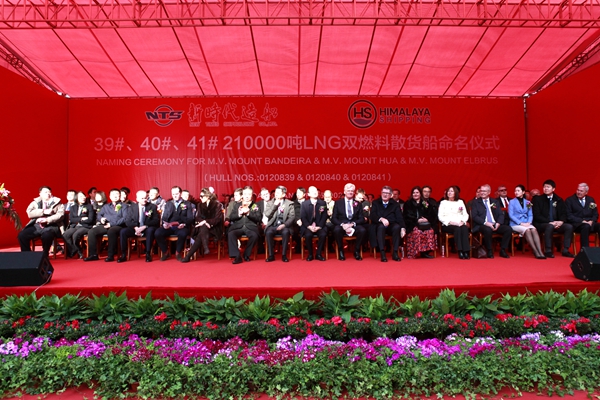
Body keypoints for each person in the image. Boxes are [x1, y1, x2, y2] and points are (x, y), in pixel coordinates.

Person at [17, 186, 65, 258]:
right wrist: (43, 211)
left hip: (51, 225)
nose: (48, 194)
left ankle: (45, 254)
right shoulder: (35, 202)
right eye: (45, 192)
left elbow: (60, 215)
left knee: (47, 235)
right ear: (40, 194)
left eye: (49, 192)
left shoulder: (57, 202)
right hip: (37, 225)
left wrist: (48, 220)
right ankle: (27, 255)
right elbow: (29, 213)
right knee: (22, 235)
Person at [532, 179, 575, 258]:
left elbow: (564, 213)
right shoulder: (538, 199)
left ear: (553, 189)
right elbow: (537, 215)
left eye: (548, 187)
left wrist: (561, 221)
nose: (546, 188)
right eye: (544, 187)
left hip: (557, 223)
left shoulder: (558, 199)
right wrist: (550, 222)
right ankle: (548, 250)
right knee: (550, 226)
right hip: (542, 223)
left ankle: (565, 250)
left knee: (569, 227)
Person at [84, 188, 127, 262]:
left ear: (120, 196)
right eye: (113, 194)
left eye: (117, 194)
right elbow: (99, 215)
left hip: (118, 225)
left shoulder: (124, 206)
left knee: (111, 231)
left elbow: (125, 218)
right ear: (109, 196)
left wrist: (111, 224)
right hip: (106, 224)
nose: (115, 196)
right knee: (92, 231)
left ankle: (110, 255)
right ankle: (93, 255)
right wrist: (101, 219)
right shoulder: (106, 206)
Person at [182, 188, 224, 262]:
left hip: (214, 228)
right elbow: (197, 218)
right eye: (200, 196)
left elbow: (217, 219)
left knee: (200, 234)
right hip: (204, 228)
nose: (200, 198)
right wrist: (204, 222)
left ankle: (188, 256)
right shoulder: (200, 205)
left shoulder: (217, 205)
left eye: (202, 196)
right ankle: (205, 247)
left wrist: (206, 221)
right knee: (203, 228)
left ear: (207, 196)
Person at [471, 184, 513, 258]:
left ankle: (503, 250)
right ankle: (489, 250)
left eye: (484, 191)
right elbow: (475, 216)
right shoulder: (475, 202)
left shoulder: (494, 201)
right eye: (481, 191)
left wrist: (498, 223)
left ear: (489, 192)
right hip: (482, 224)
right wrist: (486, 223)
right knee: (488, 230)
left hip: (495, 224)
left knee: (508, 229)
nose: (482, 193)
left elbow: (500, 214)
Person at [118, 190, 160, 263]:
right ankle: (124, 254)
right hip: (135, 228)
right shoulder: (132, 207)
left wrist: (145, 226)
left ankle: (148, 253)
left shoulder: (152, 206)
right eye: (142, 198)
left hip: (146, 228)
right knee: (123, 231)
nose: (144, 200)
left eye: (146, 198)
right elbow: (127, 220)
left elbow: (156, 220)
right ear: (137, 199)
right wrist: (135, 228)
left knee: (150, 231)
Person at [155, 186, 194, 261]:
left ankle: (178, 252)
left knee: (183, 233)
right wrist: (164, 224)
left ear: (180, 194)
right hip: (169, 227)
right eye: (173, 194)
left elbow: (190, 218)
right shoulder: (168, 204)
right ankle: (166, 252)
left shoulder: (187, 204)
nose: (175, 196)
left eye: (176, 194)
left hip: (181, 226)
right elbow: (164, 217)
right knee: (157, 232)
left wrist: (184, 224)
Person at [508, 185, 545, 259]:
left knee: (534, 229)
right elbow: (511, 215)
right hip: (515, 224)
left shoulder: (528, 202)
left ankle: (540, 251)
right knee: (527, 230)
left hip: (526, 222)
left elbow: (530, 214)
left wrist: (529, 222)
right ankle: (535, 251)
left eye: (518, 191)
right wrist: (520, 223)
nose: (516, 192)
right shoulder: (512, 202)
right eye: (515, 191)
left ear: (523, 192)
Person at [331, 183, 367, 261]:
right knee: (336, 230)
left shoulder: (357, 203)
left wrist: (352, 224)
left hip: (353, 224)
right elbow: (334, 218)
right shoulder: (338, 203)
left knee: (362, 230)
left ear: (354, 192)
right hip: (342, 225)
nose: (350, 192)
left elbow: (361, 219)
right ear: (344, 192)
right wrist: (342, 224)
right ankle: (341, 251)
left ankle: (356, 251)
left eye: (352, 191)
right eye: (348, 190)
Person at [369, 185, 405, 262]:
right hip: (379, 224)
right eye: (383, 193)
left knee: (397, 227)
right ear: (381, 193)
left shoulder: (395, 204)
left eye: (387, 193)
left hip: (391, 224)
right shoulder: (375, 202)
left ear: (391, 195)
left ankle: (395, 252)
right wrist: (381, 219)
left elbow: (399, 217)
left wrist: (403, 228)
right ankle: (382, 253)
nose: (385, 195)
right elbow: (372, 215)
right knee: (381, 227)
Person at [228, 186, 262, 264]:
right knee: (231, 234)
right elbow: (231, 217)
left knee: (254, 236)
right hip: (238, 226)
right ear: (242, 195)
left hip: (250, 227)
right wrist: (239, 214)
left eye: (249, 194)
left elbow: (259, 218)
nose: (247, 196)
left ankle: (246, 254)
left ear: (252, 195)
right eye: (245, 194)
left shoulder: (255, 205)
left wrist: (249, 213)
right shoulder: (237, 205)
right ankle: (237, 256)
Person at [403, 186, 437, 259]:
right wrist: (417, 220)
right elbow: (407, 215)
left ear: (420, 194)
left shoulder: (425, 203)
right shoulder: (408, 203)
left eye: (417, 192)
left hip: (424, 224)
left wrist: (426, 219)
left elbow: (431, 214)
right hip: (412, 224)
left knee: (430, 231)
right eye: (414, 193)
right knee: (417, 232)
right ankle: (414, 252)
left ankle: (425, 252)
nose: (415, 194)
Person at [438, 186, 470, 259]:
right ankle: (460, 250)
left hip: (460, 223)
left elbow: (465, 214)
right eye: (448, 191)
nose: (449, 193)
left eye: (451, 191)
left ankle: (466, 251)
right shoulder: (443, 203)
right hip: (448, 224)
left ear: (456, 193)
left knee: (464, 228)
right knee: (457, 229)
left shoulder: (460, 202)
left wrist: (463, 221)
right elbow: (440, 216)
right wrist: (451, 222)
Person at [264, 186, 295, 262]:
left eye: (278, 192)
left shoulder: (289, 204)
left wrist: (284, 225)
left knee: (286, 232)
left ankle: (284, 255)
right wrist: (274, 205)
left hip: (284, 225)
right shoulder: (270, 203)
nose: (276, 194)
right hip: (273, 225)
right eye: (276, 192)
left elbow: (292, 217)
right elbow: (267, 214)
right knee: (268, 232)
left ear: (283, 194)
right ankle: (271, 255)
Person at [566, 182, 600, 249]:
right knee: (585, 226)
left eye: (581, 191)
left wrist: (592, 221)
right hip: (577, 224)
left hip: (590, 223)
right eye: (578, 190)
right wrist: (582, 221)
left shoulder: (591, 200)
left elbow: (595, 214)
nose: (579, 192)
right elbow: (569, 215)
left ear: (586, 192)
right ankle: (585, 250)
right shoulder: (569, 200)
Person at [63, 191, 95, 259]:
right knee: (66, 234)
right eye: (81, 196)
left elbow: (90, 219)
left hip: (85, 226)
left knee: (75, 235)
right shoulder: (73, 207)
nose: (83, 198)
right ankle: (76, 249)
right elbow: (71, 219)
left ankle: (78, 251)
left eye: (84, 196)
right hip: (75, 226)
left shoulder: (89, 206)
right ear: (76, 198)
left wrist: (78, 220)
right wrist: (81, 219)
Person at [300, 186, 328, 261]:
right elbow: (303, 217)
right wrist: (309, 226)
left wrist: (319, 226)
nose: (315, 193)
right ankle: (310, 254)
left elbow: (324, 216)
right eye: (312, 191)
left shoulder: (322, 203)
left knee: (323, 234)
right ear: (308, 194)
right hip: (308, 226)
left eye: (316, 191)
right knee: (308, 235)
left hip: (319, 226)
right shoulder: (304, 204)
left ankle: (318, 254)